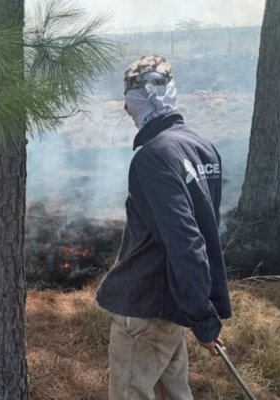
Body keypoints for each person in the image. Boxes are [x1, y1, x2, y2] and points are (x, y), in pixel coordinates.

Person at [96, 55, 232, 400]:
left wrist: (202, 317)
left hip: (146, 308)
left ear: (132, 103)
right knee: (175, 393)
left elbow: (186, 240)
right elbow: (204, 233)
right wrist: (200, 307)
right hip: (173, 305)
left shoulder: (152, 157)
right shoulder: (203, 148)